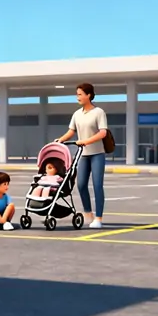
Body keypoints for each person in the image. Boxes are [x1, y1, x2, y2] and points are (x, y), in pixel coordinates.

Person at [55, 82, 108, 228]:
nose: (77, 97)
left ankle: (98, 218)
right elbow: (71, 131)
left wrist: (86, 141)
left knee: (97, 185)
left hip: (97, 154)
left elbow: (103, 132)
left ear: (88, 95)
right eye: (77, 94)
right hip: (83, 155)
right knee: (81, 184)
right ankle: (88, 213)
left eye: (80, 94)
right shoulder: (77, 114)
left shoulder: (99, 112)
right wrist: (61, 140)